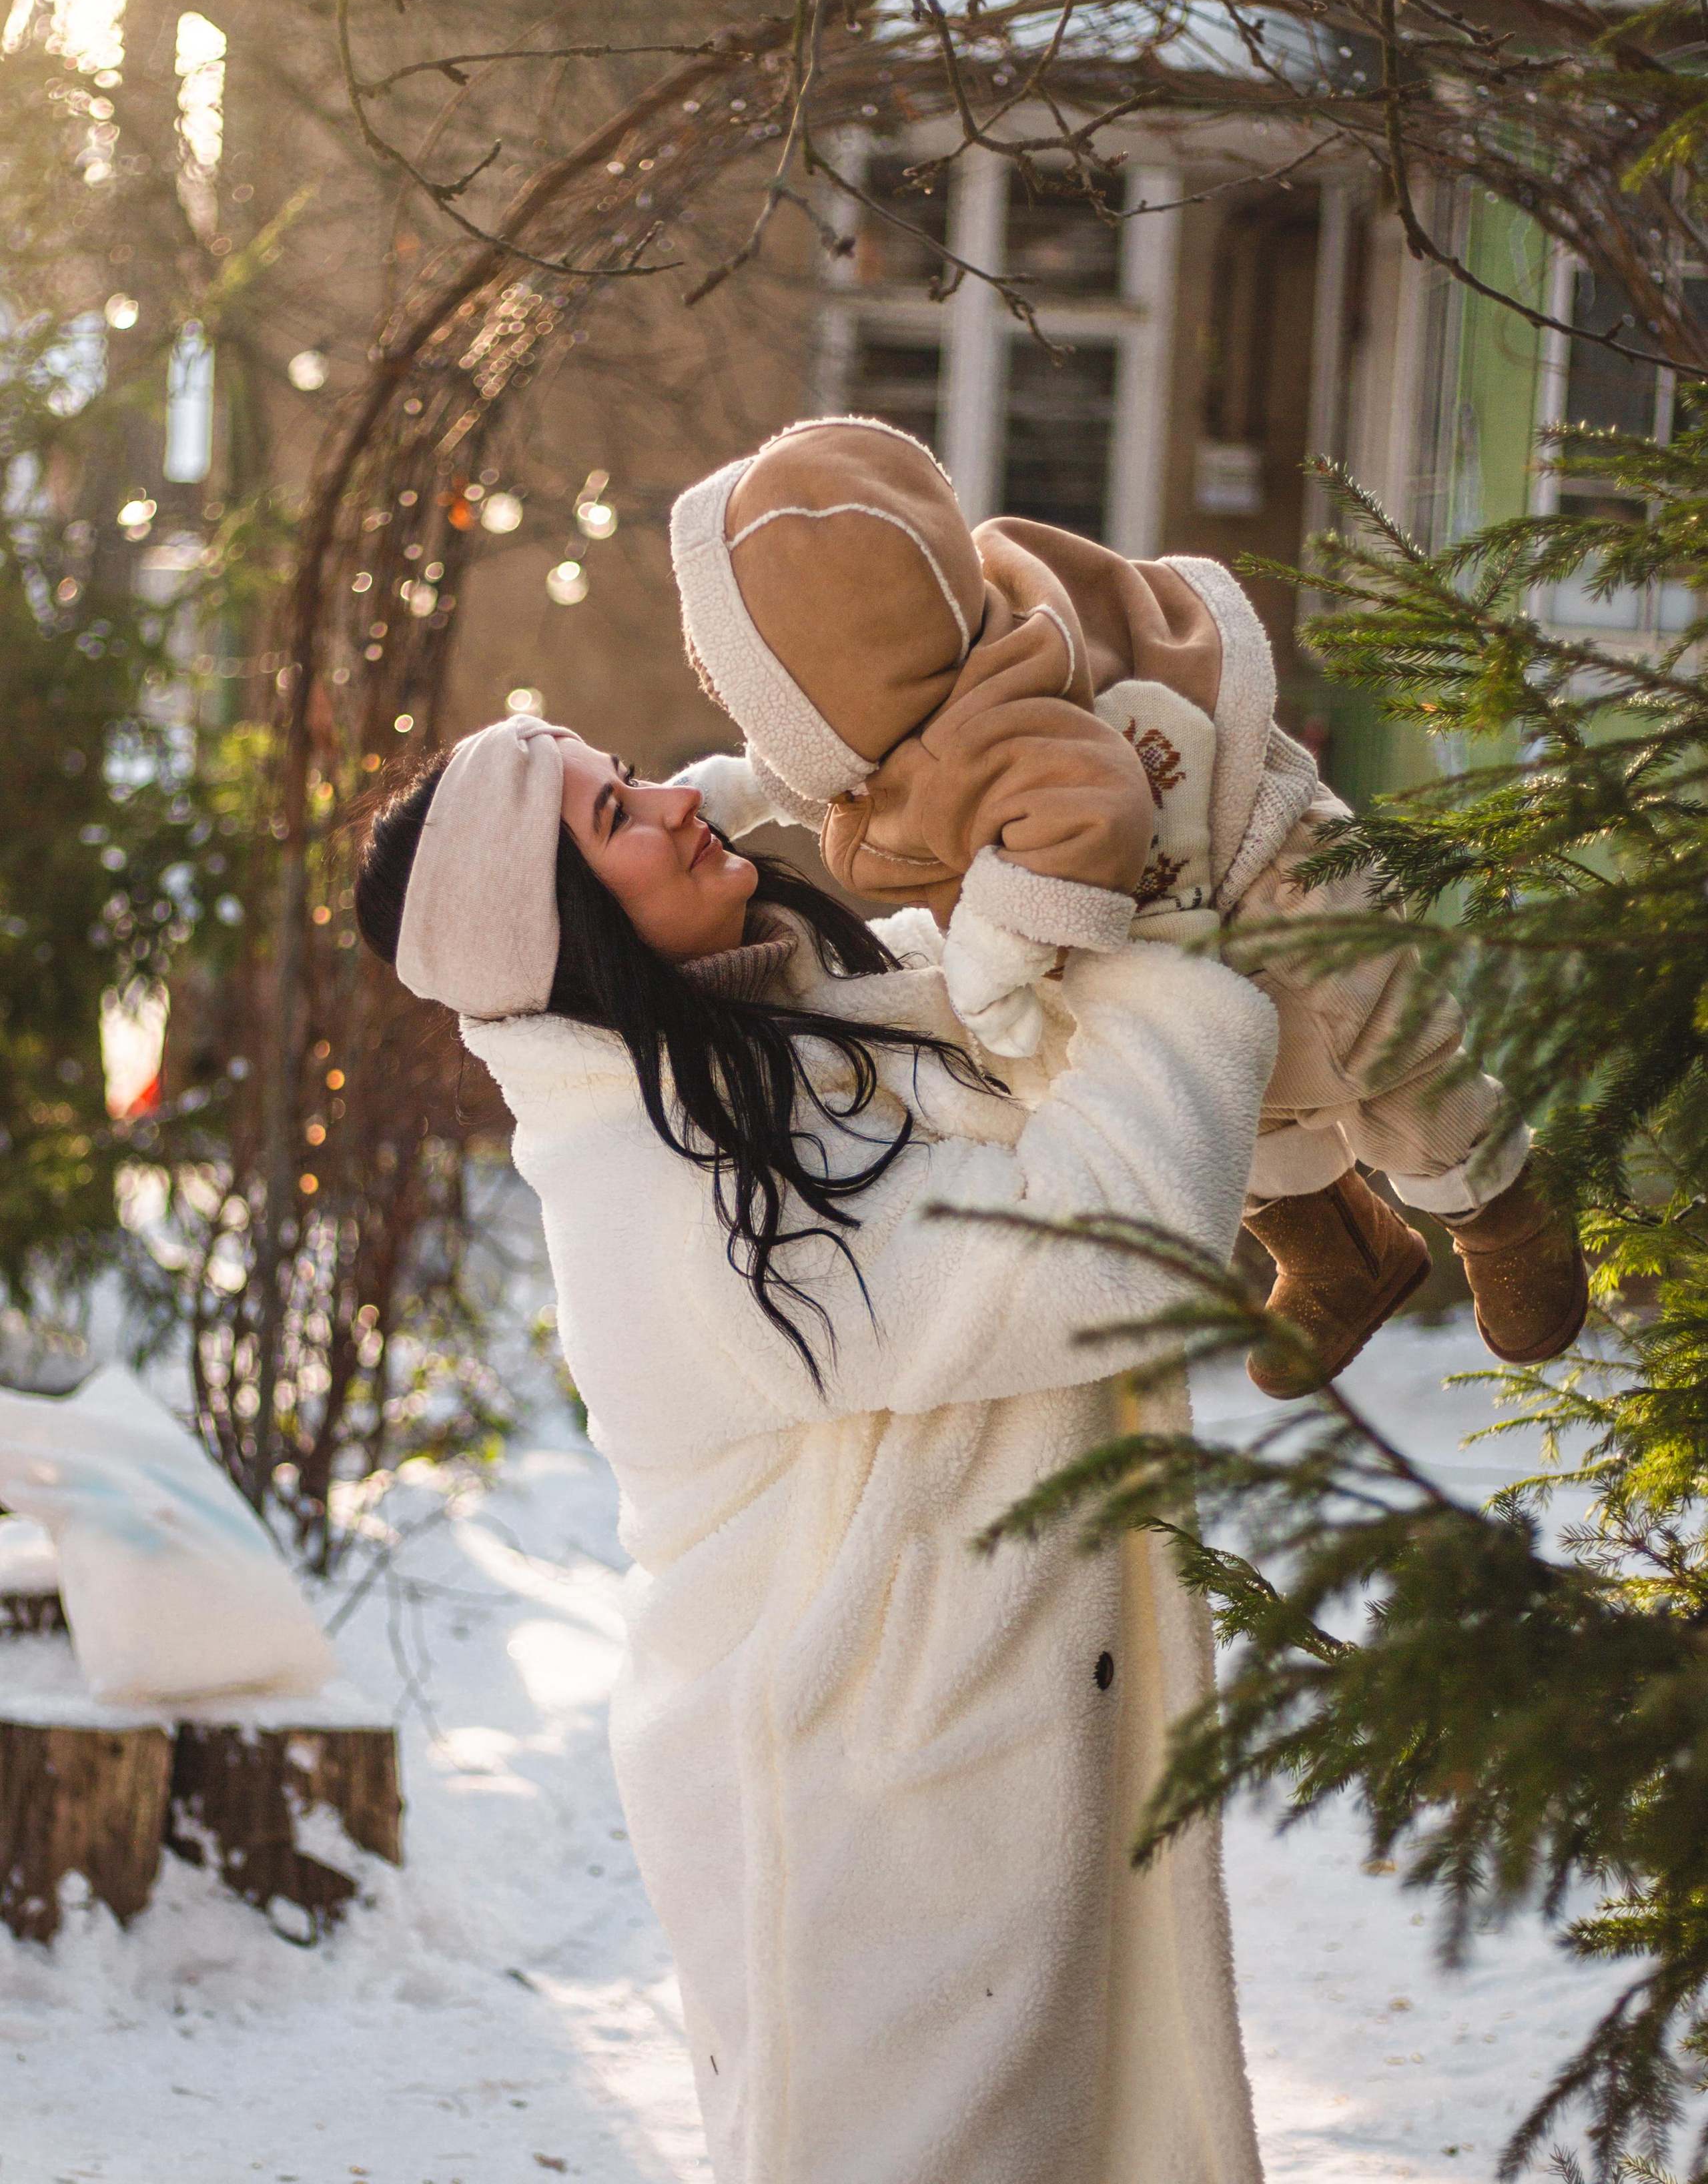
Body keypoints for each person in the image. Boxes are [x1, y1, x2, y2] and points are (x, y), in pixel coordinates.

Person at [355, 708, 1277, 2184]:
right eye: (615, 820)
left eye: (638, 771)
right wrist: (1171, 975)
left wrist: (822, 749)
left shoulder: (780, 1045)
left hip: (960, 1752)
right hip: (858, 1808)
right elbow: (1111, 1247)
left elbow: (811, 847)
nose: (669, 804)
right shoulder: (675, 1196)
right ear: (575, 933)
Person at [667, 414, 1589, 1398]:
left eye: (754, 693)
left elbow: (1088, 809)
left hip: (1274, 886)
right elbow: (837, 754)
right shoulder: (915, 688)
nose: (740, 704)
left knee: (1388, 1065)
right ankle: (1345, 1251)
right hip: (1184, 932)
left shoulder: (988, 729)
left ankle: (1504, 1211)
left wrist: (993, 950)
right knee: (1233, 1099)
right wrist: (748, 788)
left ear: (842, 671)